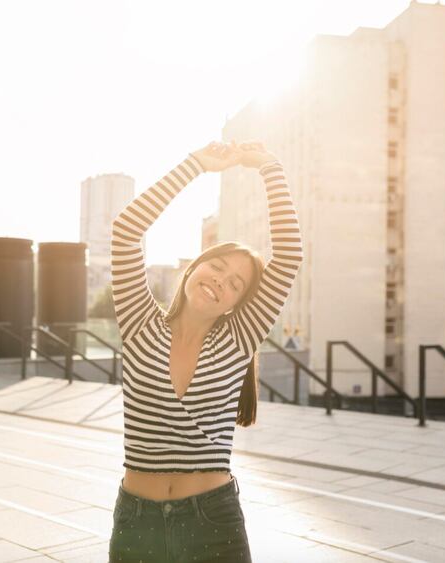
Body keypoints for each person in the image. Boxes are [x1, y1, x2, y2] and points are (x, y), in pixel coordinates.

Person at [109, 140, 303, 562]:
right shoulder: (140, 324)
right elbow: (126, 231)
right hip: (136, 522)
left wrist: (269, 167)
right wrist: (195, 165)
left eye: (235, 284)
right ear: (194, 267)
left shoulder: (237, 341)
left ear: (238, 304)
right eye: (217, 267)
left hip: (212, 522)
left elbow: (288, 257)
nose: (221, 281)